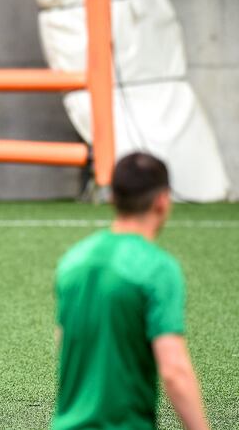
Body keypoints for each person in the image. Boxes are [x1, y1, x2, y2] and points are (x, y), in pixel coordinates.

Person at [53, 152, 209, 429]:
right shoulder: (158, 268)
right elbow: (174, 370)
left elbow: (63, 341)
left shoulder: (73, 260)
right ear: (162, 201)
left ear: (113, 197)